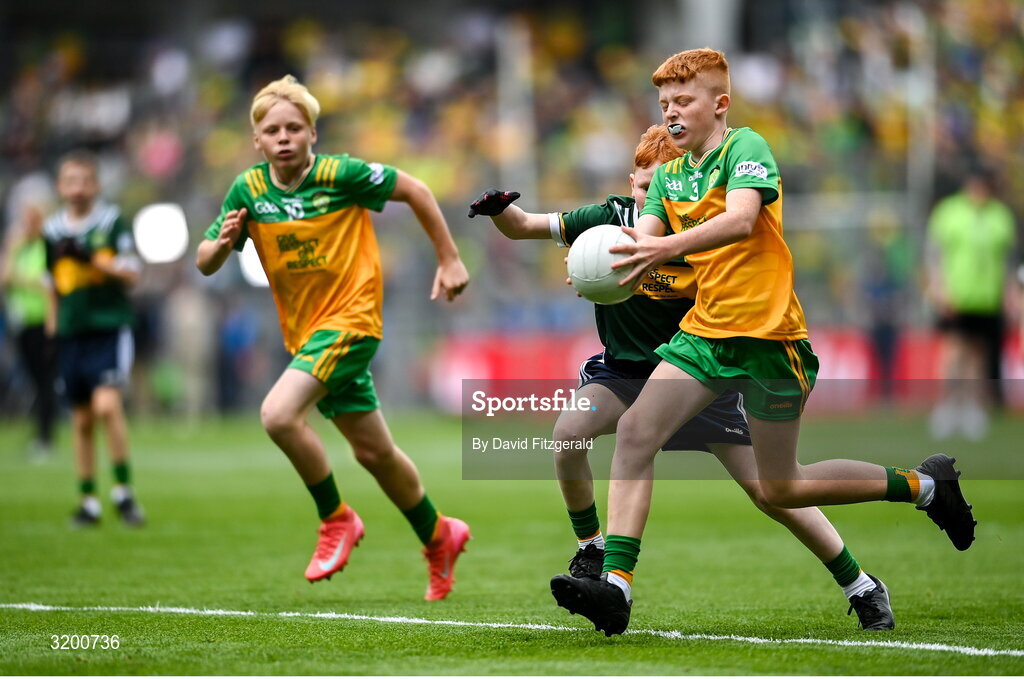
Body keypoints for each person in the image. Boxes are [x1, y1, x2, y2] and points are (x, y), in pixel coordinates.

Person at [546, 48, 976, 636]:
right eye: (664, 103)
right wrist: (603, 269)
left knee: (782, 486)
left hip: (771, 338)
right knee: (634, 431)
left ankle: (926, 486)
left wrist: (661, 249)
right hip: (705, 337)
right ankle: (615, 587)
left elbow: (742, 219)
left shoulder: (745, 149)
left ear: (719, 104)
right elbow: (639, 242)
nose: (672, 112)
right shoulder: (670, 176)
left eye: (684, 101)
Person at [469, 124, 894, 630]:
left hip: (694, 379)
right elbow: (524, 227)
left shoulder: (701, 230)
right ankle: (591, 550)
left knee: (771, 492)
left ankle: (861, 584)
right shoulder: (607, 220)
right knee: (567, 436)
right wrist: (500, 212)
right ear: (632, 181)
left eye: (661, 187)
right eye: (644, 187)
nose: (651, 198)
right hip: (624, 375)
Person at [196, 75, 471, 600]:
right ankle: (439, 534)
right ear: (256, 140)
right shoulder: (247, 190)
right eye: (272, 129)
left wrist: (450, 257)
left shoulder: (340, 174)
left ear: (312, 134)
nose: (283, 137)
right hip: (307, 337)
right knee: (375, 454)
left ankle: (336, 518)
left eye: (294, 127)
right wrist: (222, 243)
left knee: (278, 415)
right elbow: (205, 260)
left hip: (352, 321)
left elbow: (414, 189)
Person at [42, 151, 145, 527]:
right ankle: (87, 499)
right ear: (60, 187)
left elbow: (133, 272)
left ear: (97, 185)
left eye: (85, 181)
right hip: (72, 332)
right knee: (82, 419)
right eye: (70, 181)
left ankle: (123, 492)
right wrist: (52, 328)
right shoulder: (52, 230)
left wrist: (95, 260)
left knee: (107, 407)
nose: (78, 189)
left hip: (107, 327)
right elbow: (49, 282)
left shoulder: (112, 222)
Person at [925, 167, 1017, 440]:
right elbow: (934, 254)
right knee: (954, 350)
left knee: (978, 352)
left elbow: (1008, 259)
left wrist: (1010, 292)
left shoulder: (1000, 216)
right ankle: (948, 404)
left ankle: (972, 406)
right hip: (957, 294)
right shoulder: (949, 213)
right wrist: (939, 287)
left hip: (987, 297)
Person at [1, 201, 58, 460]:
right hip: (22, 323)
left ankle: (46, 437)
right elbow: (4, 279)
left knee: (46, 379)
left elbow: (50, 286)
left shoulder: (47, 247)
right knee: (35, 380)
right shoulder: (20, 249)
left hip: (43, 322)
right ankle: (41, 434)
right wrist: (11, 250)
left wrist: (22, 279)